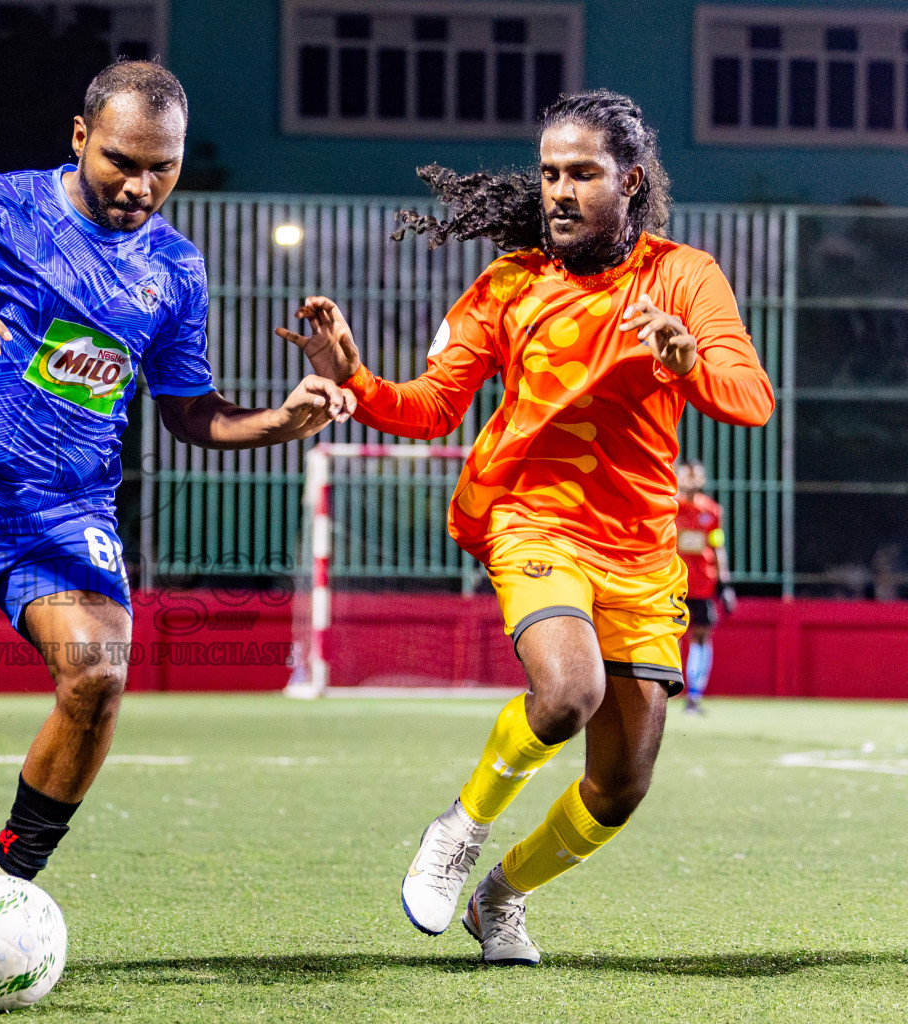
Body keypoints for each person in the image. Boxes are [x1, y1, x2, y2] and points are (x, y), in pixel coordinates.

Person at [0, 59, 356, 976]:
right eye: (123, 161)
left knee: (98, 674)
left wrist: (282, 420)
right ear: (80, 136)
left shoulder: (174, 268)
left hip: (65, 512)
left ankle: (7, 888)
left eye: (162, 168)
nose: (141, 185)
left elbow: (189, 412)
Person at [276, 90, 773, 965]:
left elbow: (752, 400)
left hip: (642, 551)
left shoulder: (686, 278)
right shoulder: (506, 286)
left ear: (632, 181)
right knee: (567, 693)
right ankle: (458, 828)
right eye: (549, 173)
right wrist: (354, 380)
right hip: (533, 518)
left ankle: (500, 898)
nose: (559, 190)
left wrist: (688, 361)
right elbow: (433, 408)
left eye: (582, 173)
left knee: (618, 788)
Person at [675, 460, 735, 714]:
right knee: (668, 636)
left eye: (697, 476)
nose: (693, 480)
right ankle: (662, 693)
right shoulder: (669, 508)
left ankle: (694, 696)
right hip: (673, 583)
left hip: (702, 585)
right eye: (688, 475)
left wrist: (725, 582)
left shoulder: (711, 511)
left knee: (700, 637)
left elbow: (717, 543)